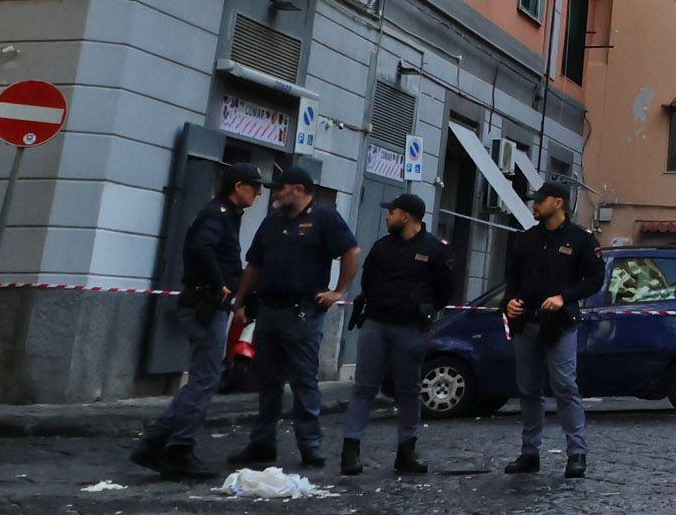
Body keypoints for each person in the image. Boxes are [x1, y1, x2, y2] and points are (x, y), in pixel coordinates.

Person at [134, 162, 262, 477]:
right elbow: (200, 248)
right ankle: (177, 447)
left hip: (211, 304)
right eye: (254, 186)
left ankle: (157, 442)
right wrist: (220, 285)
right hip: (206, 305)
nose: (258, 192)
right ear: (238, 186)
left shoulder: (225, 215)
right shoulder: (217, 214)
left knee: (205, 378)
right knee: (206, 379)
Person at [238, 167, 358, 470]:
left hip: (302, 311)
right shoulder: (272, 221)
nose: (276, 194)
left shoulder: (324, 218)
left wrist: (339, 291)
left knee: (304, 379)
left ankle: (310, 445)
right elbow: (254, 264)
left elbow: (351, 251)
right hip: (269, 310)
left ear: (299, 189)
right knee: (268, 380)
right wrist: (240, 302)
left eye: (282, 188)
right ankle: (262, 442)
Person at [342, 191, 455, 476]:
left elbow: (445, 291)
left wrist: (424, 313)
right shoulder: (382, 247)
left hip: (410, 328)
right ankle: (350, 450)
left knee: (408, 391)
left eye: (391, 211)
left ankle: (406, 451)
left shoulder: (435, 250)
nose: (387, 216)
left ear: (405, 216)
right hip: (377, 323)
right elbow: (367, 282)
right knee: (364, 387)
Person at [501, 180, 603, 477]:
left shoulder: (581, 240)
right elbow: (511, 279)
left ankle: (577, 453)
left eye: (539, 200)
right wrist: (509, 303)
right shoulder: (526, 239)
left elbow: (595, 279)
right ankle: (529, 452)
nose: (534, 205)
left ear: (557, 203)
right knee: (528, 390)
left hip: (560, 324)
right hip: (526, 322)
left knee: (565, 387)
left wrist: (564, 298)